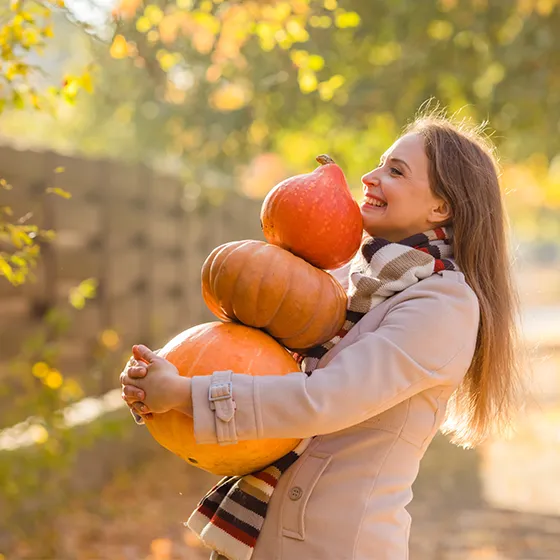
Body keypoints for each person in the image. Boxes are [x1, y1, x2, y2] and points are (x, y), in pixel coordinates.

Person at [120, 111, 522, 560]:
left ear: (440, 208)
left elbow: (324, 398)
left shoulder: (444, 307)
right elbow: (255, 361)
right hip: (259, 536)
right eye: (380, 163)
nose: (369, 177)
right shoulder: (351, 283)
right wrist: (160, 376)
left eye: (396, 170)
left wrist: (185, 394)